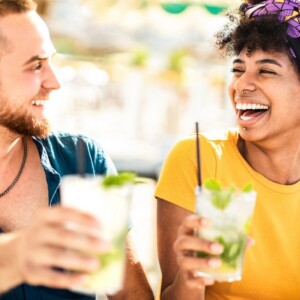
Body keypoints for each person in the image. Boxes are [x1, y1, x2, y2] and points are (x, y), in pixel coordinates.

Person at [0, 1, 154, 299]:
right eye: (36, 65)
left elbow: (129, 294)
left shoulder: (84, 160)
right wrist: (19, 254)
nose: (54, 82)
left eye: (51, 62)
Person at [155, 0, 300, 299]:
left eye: (266, 71)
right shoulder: (198, 159)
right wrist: (190, 278)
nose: (241, 85)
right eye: (238, 69)